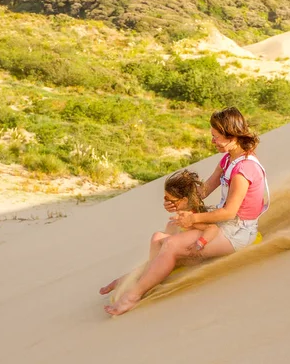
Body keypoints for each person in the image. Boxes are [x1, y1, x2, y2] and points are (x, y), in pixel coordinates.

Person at [103, 107, 269, 315]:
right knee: (163, 233)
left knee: (171, 244)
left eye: (216, 137)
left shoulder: (244, 170)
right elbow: (203, 191)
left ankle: (132, 295)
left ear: (231, 135)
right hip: (223, 223)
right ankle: (145, 274)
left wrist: (193, 218)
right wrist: (177, 204)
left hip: (238, 232)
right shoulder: (228, 160)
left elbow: (229, 212)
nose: (212, 141)